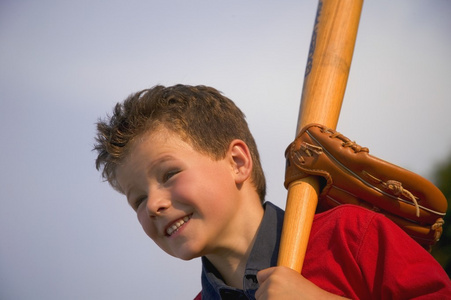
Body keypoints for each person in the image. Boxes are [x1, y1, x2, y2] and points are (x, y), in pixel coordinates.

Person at [94, 84, 451, 299]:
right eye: (137, 199)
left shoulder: (352, 235)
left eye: (169, 174)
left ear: (237, 161)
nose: (154, 204)